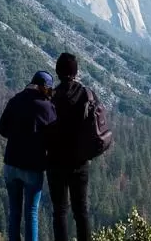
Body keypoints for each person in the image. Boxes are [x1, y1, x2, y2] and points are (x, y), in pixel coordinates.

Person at [0, 70, 57, 241]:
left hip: (11, 163)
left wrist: (16, 136)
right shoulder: (47, 107)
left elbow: (2, 129)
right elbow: (54, 139)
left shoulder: (15, 100)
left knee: (14, 211)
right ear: (45, 87)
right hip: (32, 166)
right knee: (31, 212)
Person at [46, 52, 95, 241]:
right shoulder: (86, 94)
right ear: (76, 72)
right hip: (79, 161)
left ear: (57, 71)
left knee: (59, 211)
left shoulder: (52, 97)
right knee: (81, 211)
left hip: (55, 161)